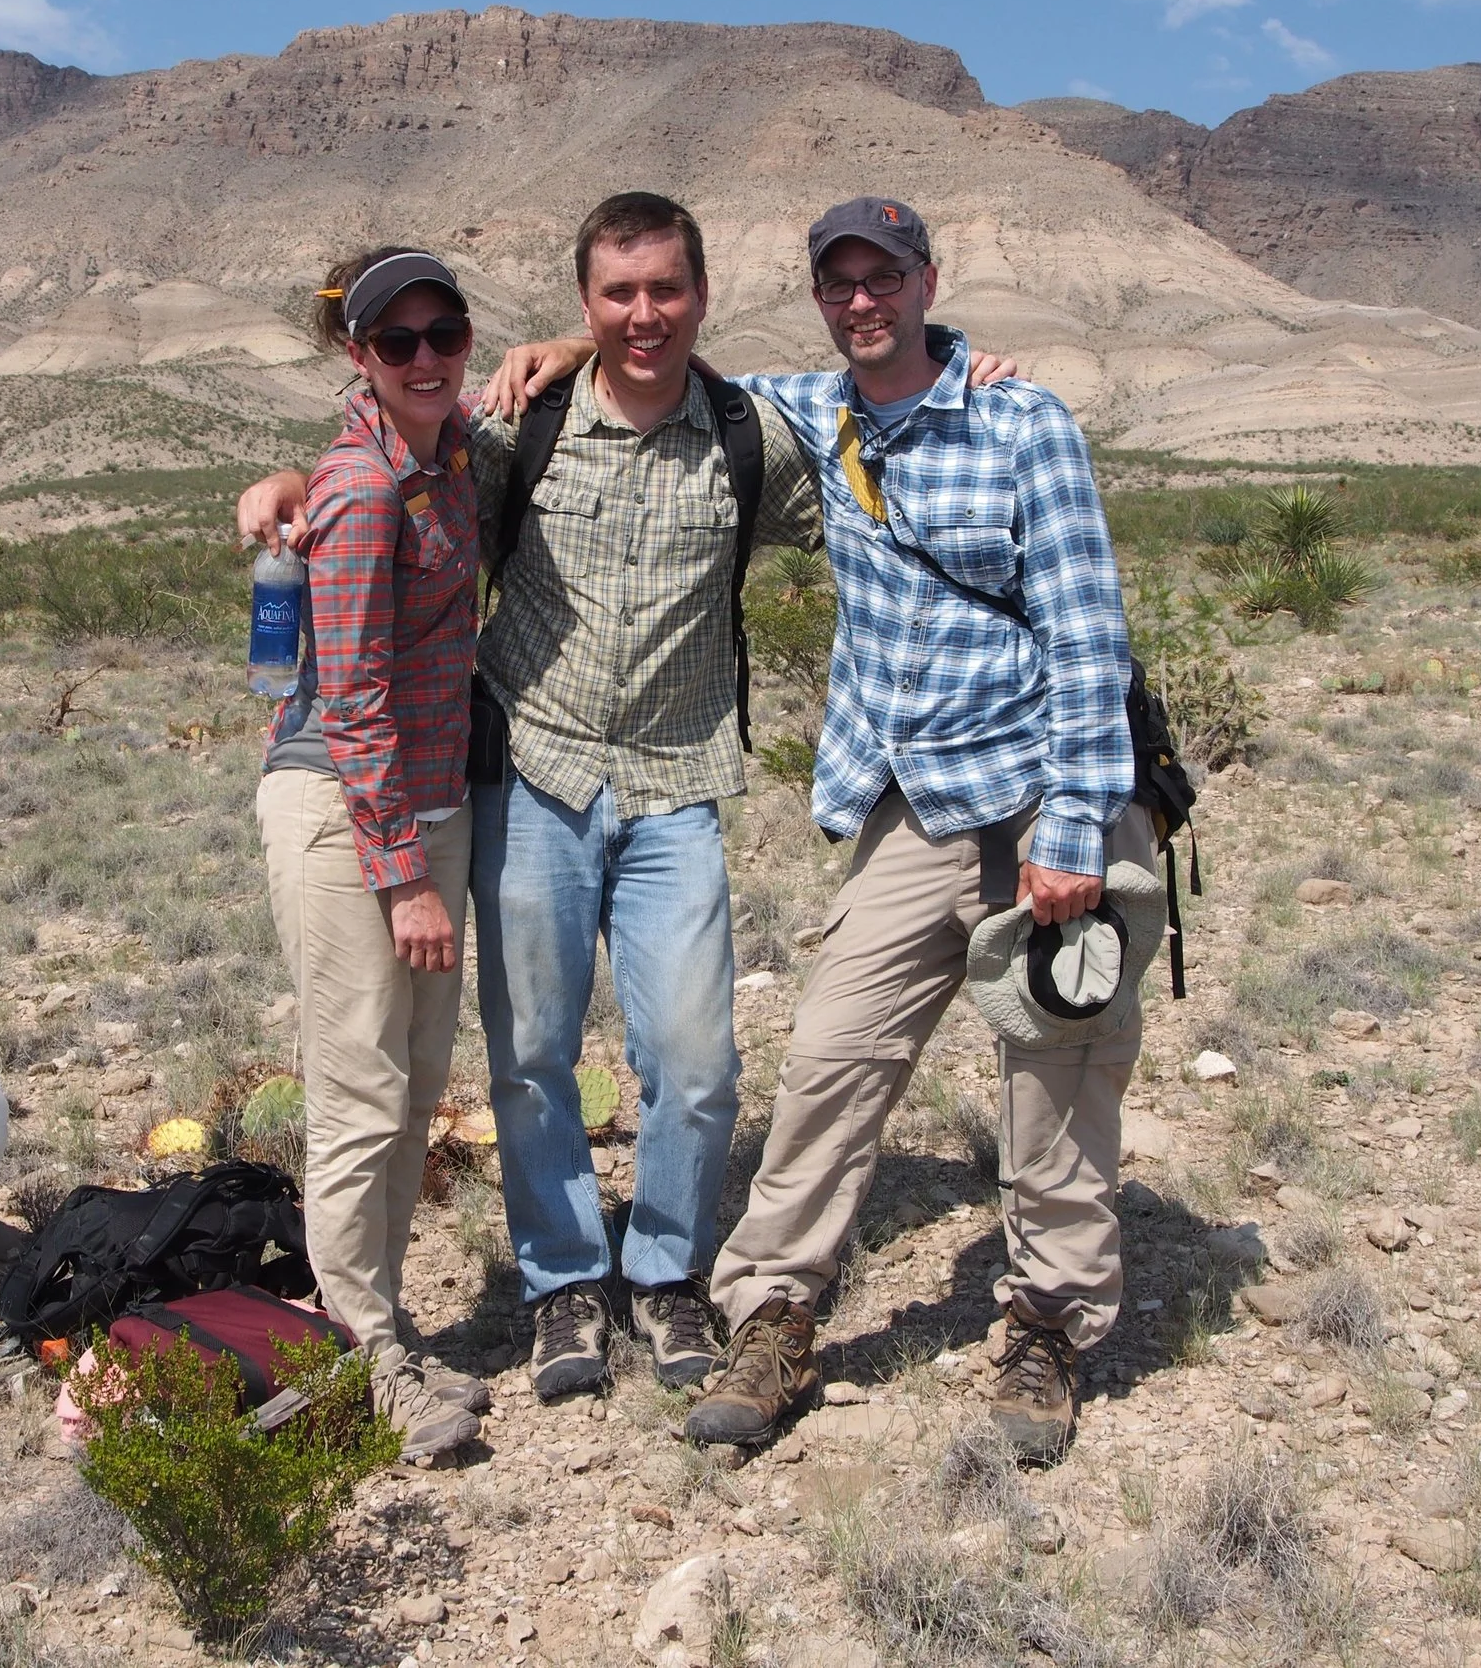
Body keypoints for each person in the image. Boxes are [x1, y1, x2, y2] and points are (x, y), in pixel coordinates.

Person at [246, 195, 1017, 1406]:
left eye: (665, 290)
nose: (643, 314)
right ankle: (560, 1285)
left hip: (675, 787)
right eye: (617, 294)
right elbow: (400, 462)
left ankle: (662, 1273)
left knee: (695, 1062)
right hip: (534, 775)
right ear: (586, 305)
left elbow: (886, 472)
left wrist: (970, 373)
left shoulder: (745, 434)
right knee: (532, 1059)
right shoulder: (520, 427)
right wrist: (290, 476)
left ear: (701, 296)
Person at [485, 197, 1143, 1463]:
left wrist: (1073, 819)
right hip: (912, 804)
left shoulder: (1020, 421)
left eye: (882, 278)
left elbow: (1087, 629)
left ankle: (1046, 1336)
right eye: (838, 282)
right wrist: (563, 352)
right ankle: (772, 1313)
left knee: (1055, 1077)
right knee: (830, 1061)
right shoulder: (809, 411)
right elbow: (651, 358)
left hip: (1042, 795)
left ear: (926, 281)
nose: (861, 301)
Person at [253, 245, 493, 1463]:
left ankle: (374, 1313)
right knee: (356, 1087)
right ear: (359, 355)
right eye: (395, 343)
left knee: (409, 1083)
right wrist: (400, 873)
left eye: (441, 334)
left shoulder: (450, 458)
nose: (423, 359)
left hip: (427, 804)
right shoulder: (358, 492)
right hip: (352, 813)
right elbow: (347, 701)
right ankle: (358, 1351)